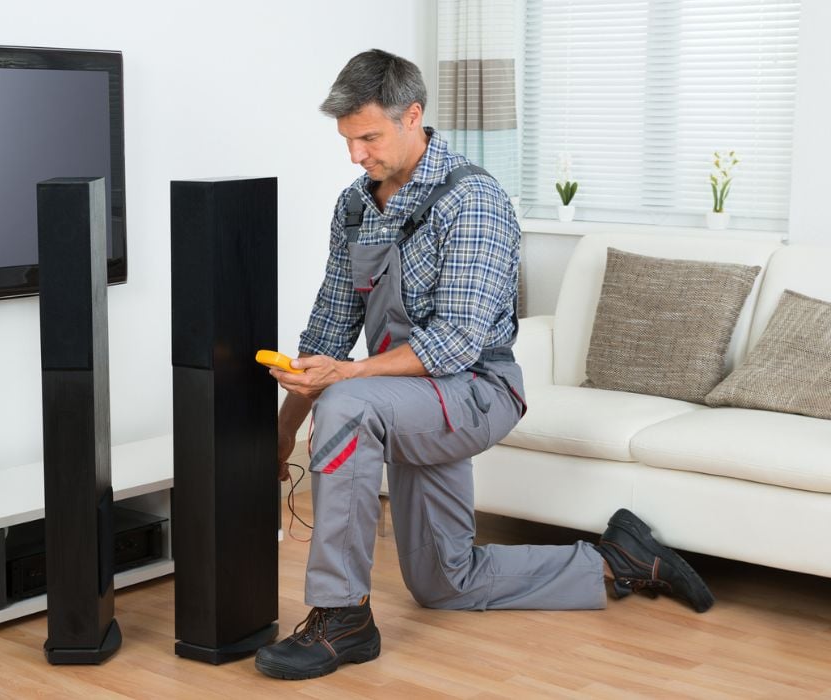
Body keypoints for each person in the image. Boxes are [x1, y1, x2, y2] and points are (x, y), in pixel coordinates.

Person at [253, 49, 714, 682]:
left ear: (413, 116)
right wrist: (283, 428)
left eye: (368, 137)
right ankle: (619, 561)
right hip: (402, 397)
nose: (355, 155)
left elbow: (456, 344)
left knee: (347, 407)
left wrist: (347, 379)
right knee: (446, 582)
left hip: (473, 392)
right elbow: (328, 333)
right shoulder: (355, 208)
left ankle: (342, 616)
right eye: (347, 140)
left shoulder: (473, 201)